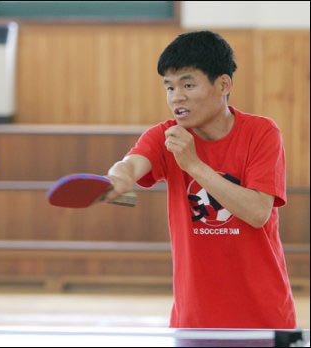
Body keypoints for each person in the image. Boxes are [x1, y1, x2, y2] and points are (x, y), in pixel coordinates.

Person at [105, 31, 296, 329]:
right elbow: (130, 166)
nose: (176, 97)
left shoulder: (262, 133)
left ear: (223, 84)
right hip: (194, 319)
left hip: (263, 315)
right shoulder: (164, 136)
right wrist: (117, 178)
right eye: (169, 87)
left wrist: (194, 165)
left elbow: (258, 212)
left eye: (188, 84)